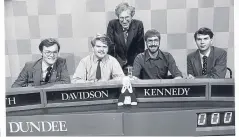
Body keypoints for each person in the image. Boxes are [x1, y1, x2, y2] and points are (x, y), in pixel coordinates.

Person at [107, 2, 145, 74]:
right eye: (121, 18)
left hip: (134, 65)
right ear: (118, 17)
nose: (124, 21)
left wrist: (134, 65)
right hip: (116, 64)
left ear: (131, 16)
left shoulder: (138, 25)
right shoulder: (112, 24)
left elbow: (140, 49)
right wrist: (119, 64)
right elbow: (110, 48)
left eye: (127, 17)